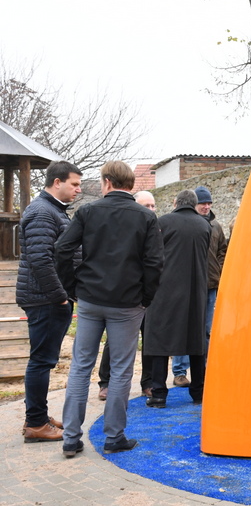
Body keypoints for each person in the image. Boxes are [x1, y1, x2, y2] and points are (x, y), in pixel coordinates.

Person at [55, 161, 163, 458]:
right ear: (130, 185)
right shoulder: (146, 217)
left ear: (106, 182)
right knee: (121, 370)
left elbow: (62, 248)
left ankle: (71, 438)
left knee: (80, 366)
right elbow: (155, 262)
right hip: (127, 302)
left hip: (91, 298)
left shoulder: (88, 212)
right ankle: (114, 437)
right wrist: (146, 297)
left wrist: (71, 287)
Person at [17, 160, 82, 443]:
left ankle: (38, 416)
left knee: (43, 360)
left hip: (48, 298)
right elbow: (40, 260)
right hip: (45, 299)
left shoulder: (52, 210)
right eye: (74, 184)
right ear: (57, 182)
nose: (78, 190)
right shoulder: (43, 212)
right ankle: (35, 424)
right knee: (41, 361)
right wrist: (60, 298)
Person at [144, 190, 211, 408]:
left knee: (160, 340)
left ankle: (159, 394)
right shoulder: (204, 225)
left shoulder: (163, 222)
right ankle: (198, 391)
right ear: (194, 204)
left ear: (175, 203)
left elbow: (152, 255)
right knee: (196, 341)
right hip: (196, 290)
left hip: (165, 290)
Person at [96, 190, 157, 400]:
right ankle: (105, 382)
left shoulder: (155, 227)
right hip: (124, 294)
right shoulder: (124, 228)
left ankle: (148, 382)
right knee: (114, 340)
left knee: (149, 339)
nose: (151, 209)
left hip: (148, 294)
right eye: (146, 206)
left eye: (153, 205)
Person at [170, 186, 227, 385]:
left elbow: (222, 250)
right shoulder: (184, 224)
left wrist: (218, 270)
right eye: (203, 203)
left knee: (206, 330)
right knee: (183, 329)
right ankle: (179, 371)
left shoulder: (216, 226)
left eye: (209, 203)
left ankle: (205, 370)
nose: (206, 206)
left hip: (210, 285)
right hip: (187, 286)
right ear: (194, 204)